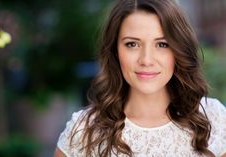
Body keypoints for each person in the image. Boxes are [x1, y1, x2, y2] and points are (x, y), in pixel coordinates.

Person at [54, 0, 226, 156]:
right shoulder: (85, 130)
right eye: (132, 44)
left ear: (179, 50)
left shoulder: (214, 118)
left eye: (162, 44)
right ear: (115, 51)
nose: (146, 60)